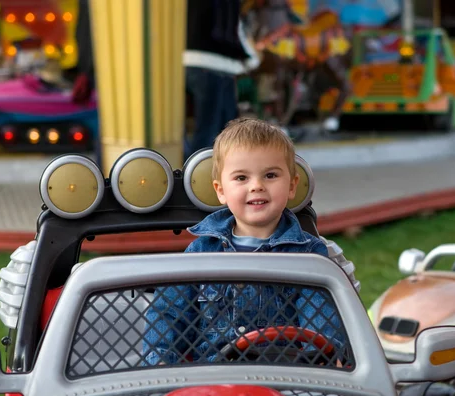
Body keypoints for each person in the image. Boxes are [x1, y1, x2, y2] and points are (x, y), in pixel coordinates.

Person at [143, 118, 344, 365]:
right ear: (220, 190)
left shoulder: (308, 255)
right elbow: (169, 315)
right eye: (241, 178)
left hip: (287, 378)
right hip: (215, 380)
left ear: (292, 186)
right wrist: (161, 360)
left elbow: (320, 319)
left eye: (270, 175)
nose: (257, 186)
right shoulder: (201, 252)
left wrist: (327, 356)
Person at [184, 0, 259, 159]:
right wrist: (253, 59)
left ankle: (192, 174)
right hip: (217, 65)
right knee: (221, 131)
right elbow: (237, 31)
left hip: (187, 62)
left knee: (201, 129)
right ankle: (197, 177)